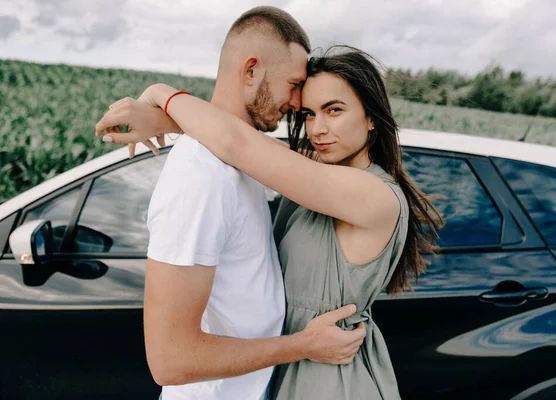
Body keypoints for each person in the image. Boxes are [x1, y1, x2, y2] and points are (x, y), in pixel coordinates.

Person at [96, 44, 444, 399]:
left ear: (371, 117)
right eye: (308, 114)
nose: (317, 129)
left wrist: (159, 93)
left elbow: (238, 145)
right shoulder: (321, 172)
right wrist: (170, 121)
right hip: (292, 366)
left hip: (329, 380)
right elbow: (241, 142)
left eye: (334, 110)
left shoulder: (372, 195)